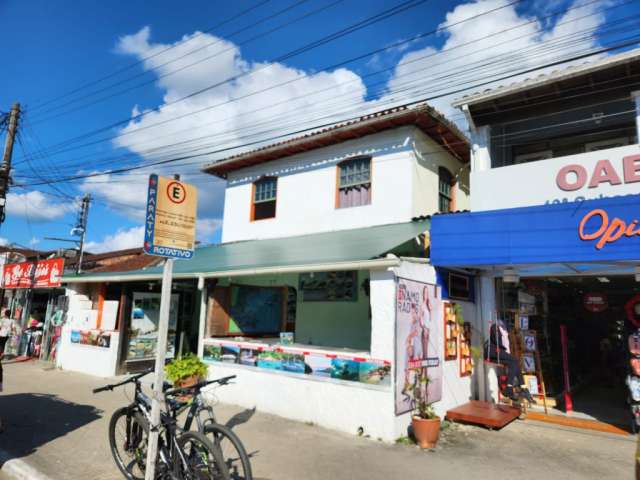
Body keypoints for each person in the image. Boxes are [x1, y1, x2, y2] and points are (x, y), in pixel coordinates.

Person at [485, 319, 533, 404]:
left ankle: (522, 388)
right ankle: (511, 387)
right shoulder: (495, 327)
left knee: (515, 363)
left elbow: (505, 344)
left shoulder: (505, 332)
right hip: (493, 352)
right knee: (515, 361)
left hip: (499, 352)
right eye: (504, 326)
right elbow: (496, 341)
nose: (505, 328)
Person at [0, 309, 18, 392]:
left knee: (1, 345)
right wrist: (15, 335)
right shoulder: (11, 320)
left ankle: (1, 354)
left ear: (5, 314)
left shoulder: (2, 320)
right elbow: (13, 328)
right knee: (2, 345)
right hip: (7, 334)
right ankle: (2, 353)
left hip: (1, 334)